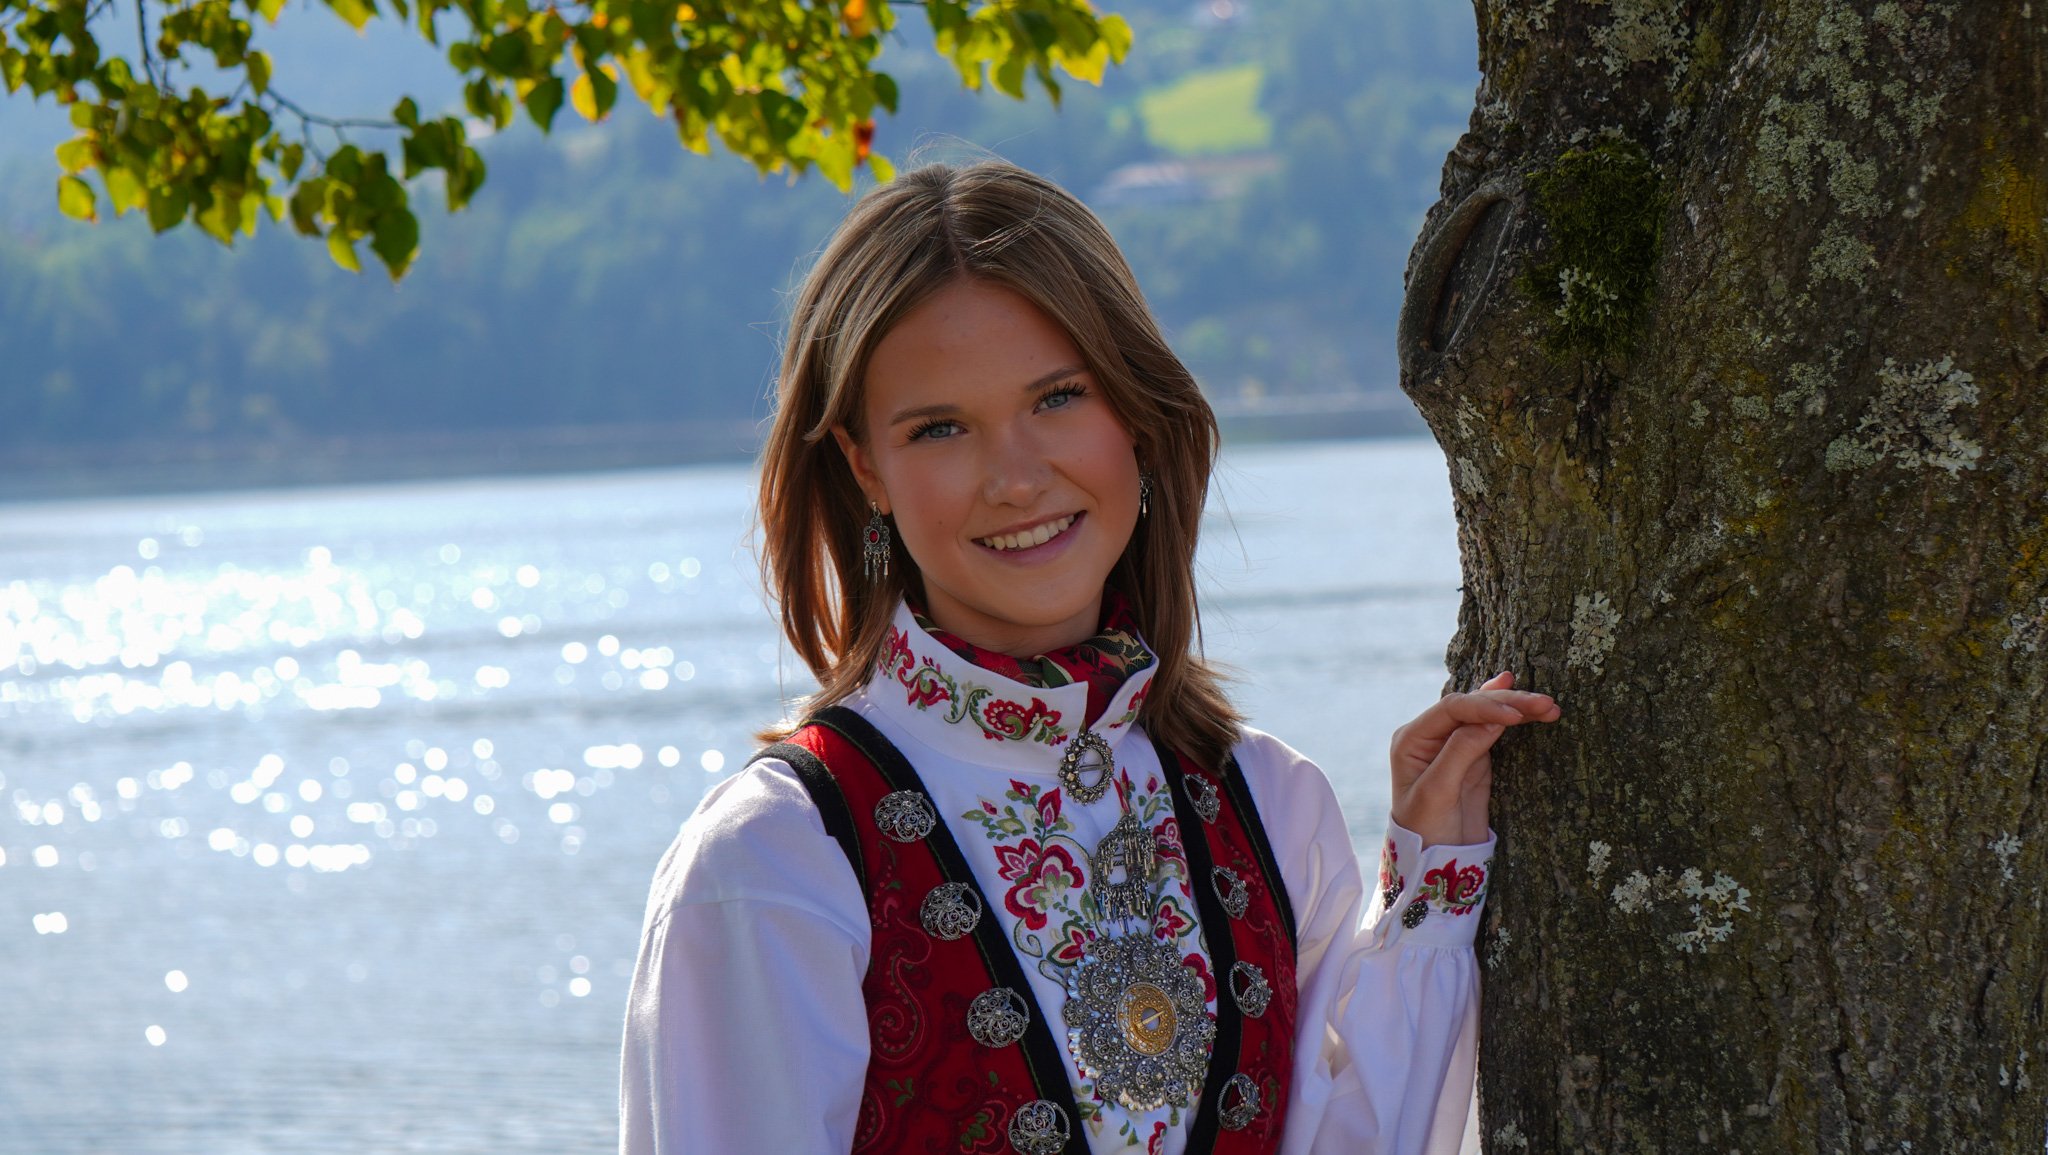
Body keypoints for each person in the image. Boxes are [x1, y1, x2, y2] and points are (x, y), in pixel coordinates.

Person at [618, 159, 1561, 1155]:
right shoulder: (773, 860)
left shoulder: (1272, 805)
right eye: (939, 428)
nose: (1016, 477)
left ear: (1136, 417)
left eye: (1057, 398)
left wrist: (1432, 870)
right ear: (866, 470)